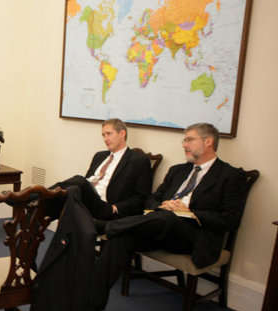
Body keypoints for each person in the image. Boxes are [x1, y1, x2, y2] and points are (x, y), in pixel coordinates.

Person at [99, 123, 247, 294]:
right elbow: (151, 199)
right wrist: (162, 205)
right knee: (120, 237)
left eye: (189, 140)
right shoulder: (177, 171)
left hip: (193, 236)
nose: (184, 145)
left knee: (168, 217)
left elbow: (231, 220)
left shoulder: (230, 176)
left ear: (208, 142)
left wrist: (190, 213)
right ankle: (92, 301)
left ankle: (106, 226)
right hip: (159, 228)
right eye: (184, 140)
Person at [47, 118, 152, 220]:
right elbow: (87, 182)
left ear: (122, 134)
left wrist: (115, 208)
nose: (105, 139)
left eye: (109, 134)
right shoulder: (99, 156)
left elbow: (141, 197)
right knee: (73, 191)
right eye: (103, 135)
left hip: (105, 206)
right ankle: (43, 206)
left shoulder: (138, 160)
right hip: (86, 201)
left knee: (79, 181)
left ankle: (43, 195)